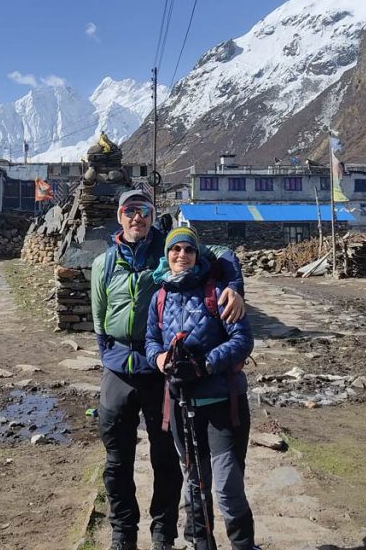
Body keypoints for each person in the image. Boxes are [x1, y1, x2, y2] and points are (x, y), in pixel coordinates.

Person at [91, 189, 246, 550]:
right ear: (120, 216)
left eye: (144, 211)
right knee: (116, 460)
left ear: (151, 215)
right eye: (130, 211)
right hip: (118, 368)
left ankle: (163, 535)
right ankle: (123, 534)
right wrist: (107, 353)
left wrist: (235, 288)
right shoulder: (105, 262)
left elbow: (223, 255)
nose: (137, 218)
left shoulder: (171, 251)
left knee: (167, 459)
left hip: (160, 371)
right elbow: (98, 316)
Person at [146, 226, 258, 550]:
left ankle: (243, 545)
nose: (181, 255)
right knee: (194, 484)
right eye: (175, 250)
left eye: (188, 250)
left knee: (225, 486)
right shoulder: (160, 296)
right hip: (182, 405)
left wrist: (206, 364)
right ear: (167, 255)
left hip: (223, 404)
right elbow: (151, 341)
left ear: (197, 255)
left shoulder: (219, 291)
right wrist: (161, 359)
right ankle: (200, 544)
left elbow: (242, 340)